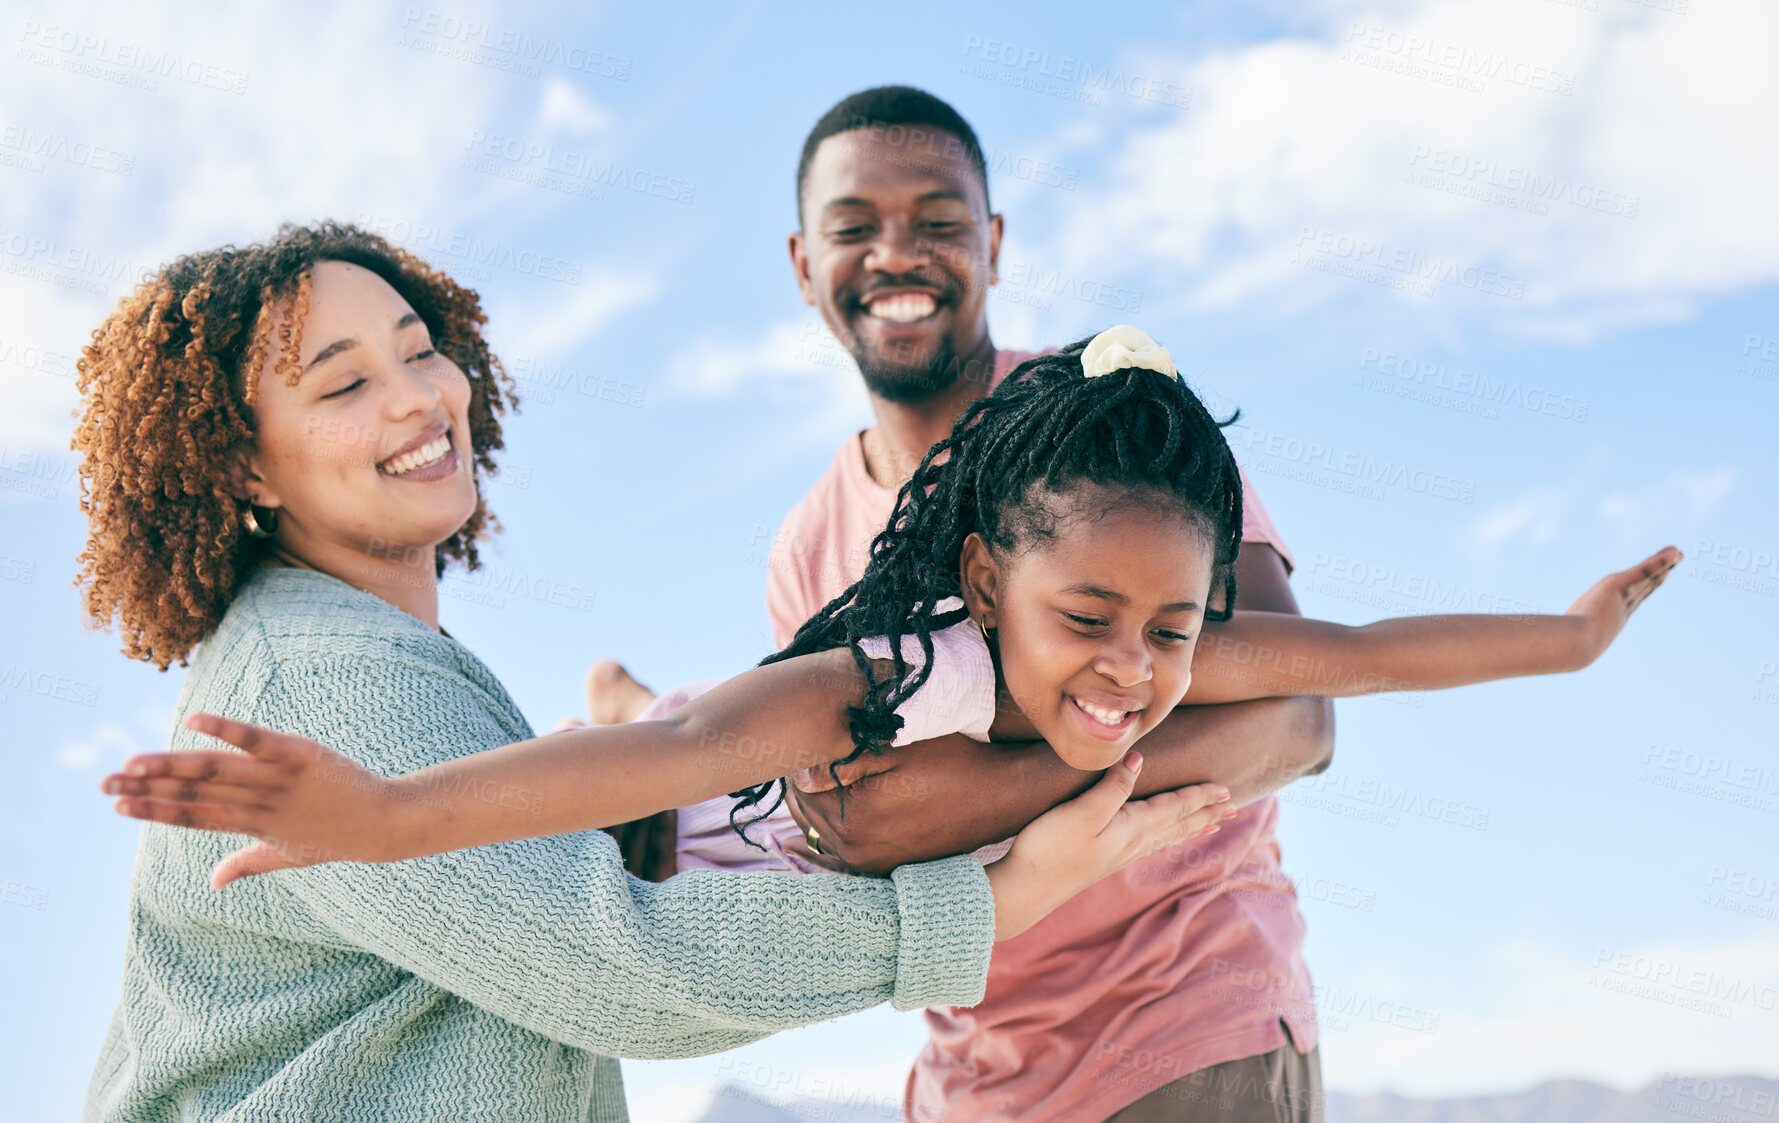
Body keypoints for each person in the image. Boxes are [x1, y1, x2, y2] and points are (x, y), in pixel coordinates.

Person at [73, 223, 1227, 1123]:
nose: (419, 396)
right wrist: (995, 899)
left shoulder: (362, 653)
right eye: (342, 384)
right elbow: (618, 964)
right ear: (242, 468)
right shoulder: (326, 679)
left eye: (420, 349)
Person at [104, 328, 1678, 893]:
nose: (1132, 672)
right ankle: (606, 682)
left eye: (1171, 629)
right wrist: (378, 815)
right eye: (1087, 618)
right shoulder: (890, 674)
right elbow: (677, 759)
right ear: (987, 579)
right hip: (700, 828)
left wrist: (1569, 637)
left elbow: (1368, 659)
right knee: (642, 734)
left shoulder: (1159, 644)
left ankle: (614, 681)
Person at [581, 85, 1342, 1121]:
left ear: (991, 243)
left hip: (1187, 1035)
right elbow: (868, 837)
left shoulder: (1118, 426)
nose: (899, 253)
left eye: (938, 222)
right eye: (855, 228)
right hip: (973, 1079)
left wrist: (990, 791)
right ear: (804, 266)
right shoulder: (808, 550)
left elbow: (1299, 720)